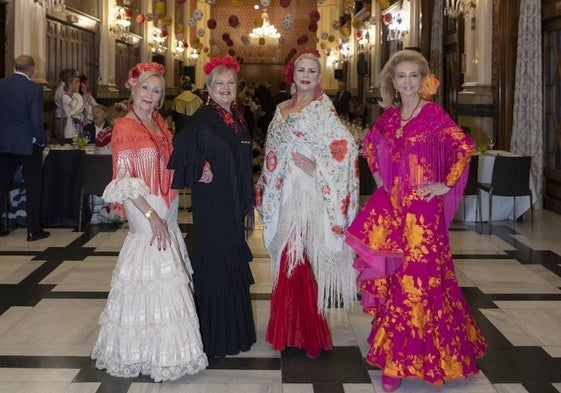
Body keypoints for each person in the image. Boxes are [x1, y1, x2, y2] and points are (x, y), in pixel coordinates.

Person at [345, 49, 487, 392]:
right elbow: (369, 144)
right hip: (394, 210)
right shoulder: (391, 119)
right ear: (392, 83)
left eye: (413, 76)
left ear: (423, 81)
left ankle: (410, 362)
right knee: (399, 281)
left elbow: (464, 147)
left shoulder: (433, 114)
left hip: (424, 215)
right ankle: (399, 357)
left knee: (419, 281)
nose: (407, 82)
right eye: (401, 77)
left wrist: (445, 184)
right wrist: (381, 181)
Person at [91, 62, 208, 381]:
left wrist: (199, 168)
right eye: (145, 88)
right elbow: (123, 180)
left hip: (165, 204)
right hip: (145, 207)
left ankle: (160, 348)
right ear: (133, 89)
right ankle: (146, 352)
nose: (150, 95)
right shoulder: (125, 126)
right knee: (152, 266)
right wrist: (150, 216)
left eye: (156, 91)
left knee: (165, 271)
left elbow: (172, 161)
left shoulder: (158, 122)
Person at [255, 49, 359, 358]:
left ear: (318, 77)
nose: (306, 75)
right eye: (301, 69)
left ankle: (307, 333)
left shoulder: (322, 109)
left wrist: (318, 169)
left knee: (297, 258)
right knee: (289, 259)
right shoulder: (281, 108)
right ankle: (289, 330)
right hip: (283, 191)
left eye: (312, 71)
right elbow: (272, 148)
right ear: (293, 74)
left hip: (308, 192)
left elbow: (346, 147)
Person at [168, 56, 256, 358]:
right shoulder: (204, 117)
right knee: (215, 262)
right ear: (208, 88)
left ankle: (235, 331)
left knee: (230, 259)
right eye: (219, 83)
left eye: (230, 83)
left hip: (231, 205)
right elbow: (179, 145)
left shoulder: (236, 118)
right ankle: (217, 336)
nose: (226, 87)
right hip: (213, 205)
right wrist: (199, 165)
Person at [0, 55, 50, 241]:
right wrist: (42, 140)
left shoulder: (2, 85)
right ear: (31, 68)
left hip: (4, 144)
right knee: (33, 186)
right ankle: (33, 230)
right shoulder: (34, 89)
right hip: (27, 145)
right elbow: (36, 120)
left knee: (1, 184)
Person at [61, 73, 86, 139]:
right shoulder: (65, 96)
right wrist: (77, 93)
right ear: (70, 84)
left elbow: (88, 108)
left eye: (79, 81)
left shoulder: (77, 96)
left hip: (80, 127)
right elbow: (76, 107)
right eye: (76, 81)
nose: (79, 84)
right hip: (71, 127)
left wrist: (85, 93)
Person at [54, 68, 73, 138]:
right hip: (62, 119)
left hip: (64, 117)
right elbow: (70, 104)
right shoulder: (62, 89)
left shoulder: (65, 88)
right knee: (64, 141)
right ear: (68, 78)